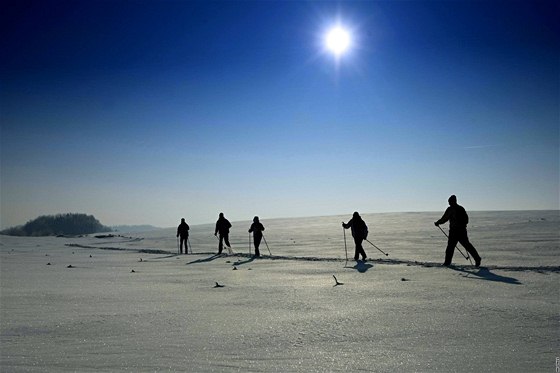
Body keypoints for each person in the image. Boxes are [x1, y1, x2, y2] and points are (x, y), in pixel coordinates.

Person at [434, 195, 482, 267]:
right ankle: (477, 258)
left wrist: (438, 222)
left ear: (453, 201)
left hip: (456, 231)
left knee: (452, 247)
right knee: (464, 245)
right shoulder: (460, 208)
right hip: (460, 231)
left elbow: (445, 218)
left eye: (450, 202)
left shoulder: (453, 209)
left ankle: (447, 262)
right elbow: (466, 220)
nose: (449, 203)